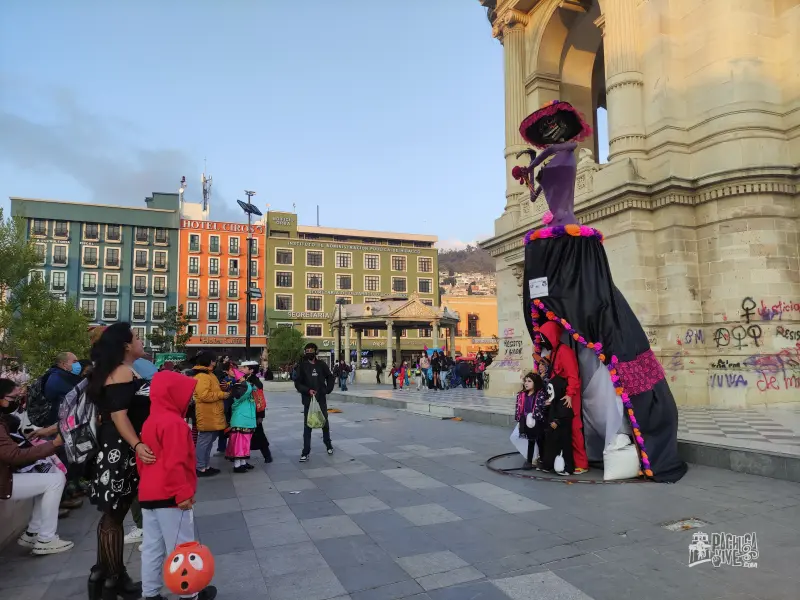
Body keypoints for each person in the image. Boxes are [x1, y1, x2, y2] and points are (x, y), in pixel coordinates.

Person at [518, 100, 686, 483]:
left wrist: (531, 161)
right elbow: (536, 193)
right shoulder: (547, 162)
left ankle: (618, 435)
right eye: (547, 131)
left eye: (555, 129)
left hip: (570, 233)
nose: (552, 136)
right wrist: (528, 172)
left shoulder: (565, 154)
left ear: (564, 131)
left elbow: (552, 160)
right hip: (555, 233)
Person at [137, 370, 217, 600]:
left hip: (149, 493)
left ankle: (150, 593)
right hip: (172, 496)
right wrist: (183, 493)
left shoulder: (151, 421)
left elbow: (143, 461)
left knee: (152, 547)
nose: (189, 399)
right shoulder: (175, 424)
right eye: (186, 394)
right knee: (182, 548)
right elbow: (177, 462)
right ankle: (189, 594)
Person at [87, 323, 153, 600]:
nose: (141, 341)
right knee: (114, 515)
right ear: (126, 345)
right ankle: (114, 580)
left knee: (111, 515)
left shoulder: (115, 371)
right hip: (121, 451)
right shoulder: (122, 372)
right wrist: (137, 445)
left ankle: (103, 575)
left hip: (114, 448)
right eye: (137, 338)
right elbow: (119, 415)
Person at [0, 378, 74, 555]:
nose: (16, 402)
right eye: (13, 398)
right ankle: (46, 539)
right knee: (55, 480)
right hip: (4, 482)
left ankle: (33, 532)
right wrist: (53, 444)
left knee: (52, 477)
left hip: (5, 476)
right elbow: (13, 456)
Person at [539, 321, 589, 474]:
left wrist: (570, 394)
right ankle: (563, 461)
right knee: (561, 429)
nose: (542, 340)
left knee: (574, 428)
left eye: (544, 337)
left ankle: (581, 463)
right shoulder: (554, 352)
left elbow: (573, 375)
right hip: (560, 395)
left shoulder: (565, 352)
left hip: (568, 397)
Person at [294, 343, 335, 462]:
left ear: (316, 352)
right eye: (307, 351)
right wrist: (307, 391)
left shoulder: (322, 364)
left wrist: (327, 390)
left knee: (324, 422)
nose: (309, 353)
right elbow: (297, 383)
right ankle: (305, 452)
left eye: (311, 351)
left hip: (321, 399)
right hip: (308, 400)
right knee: (308, 426)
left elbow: (330, 377)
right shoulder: (302, 366)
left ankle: (328, 445)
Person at [191, 352, 229, 477]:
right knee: (204, 441)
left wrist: (222, 389)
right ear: (210, 361)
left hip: (213, 413)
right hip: (207, 413)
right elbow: (204, 395)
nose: (216, 362)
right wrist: (222, 395)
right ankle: (200, 467)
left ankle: (205, 465)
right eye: (214, 360)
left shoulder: (209, 374)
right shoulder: (202, 376)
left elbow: (212, 391)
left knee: (208, 441)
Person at [540, 376, 574, 475]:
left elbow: (567, 415)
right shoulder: (553, 402)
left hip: (562, 433)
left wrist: (558, 422)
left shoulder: (564, 401)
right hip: (552, 432)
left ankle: (567, 468)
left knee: (564, 449)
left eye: (551, 389)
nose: (549, 392)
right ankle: (548, 465)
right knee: (550, 447)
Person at [241, 360, 272, 463]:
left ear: (251, 370)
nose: (242, 369)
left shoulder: (256, 382)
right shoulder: (244, 379)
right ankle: (243, 457)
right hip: (246, 412)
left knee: (259, 434)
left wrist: (260, 415)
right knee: (245, 435)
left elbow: (260, 400)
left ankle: (267, 455)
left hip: (254, 412)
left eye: (244, 367)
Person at [515, 372, 546, 470]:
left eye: (529, 381)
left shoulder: (539, 394)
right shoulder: (522, 395)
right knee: (531, 441)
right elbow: (519, 407)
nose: (526, 383)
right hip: (526, 421)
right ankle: (529, 460)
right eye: (525, 381)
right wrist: (519, 419)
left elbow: (542, 407)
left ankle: (542, 460)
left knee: (540, 441)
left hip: (537, 421)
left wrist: (545, 404)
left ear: (535, 383)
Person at [225, 376, 256, 473]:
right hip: (240, 421)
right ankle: (237, 465)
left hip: (245, 421)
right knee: (239, 444)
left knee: (244, 444)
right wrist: (246, 382)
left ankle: (242, 463)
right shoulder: (239, 393)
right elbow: (247, 390)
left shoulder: (244, 392)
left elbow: (254, 389)